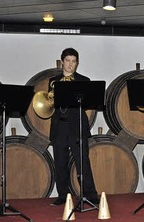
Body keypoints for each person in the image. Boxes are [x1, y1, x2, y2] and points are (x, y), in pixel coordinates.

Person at [49, 48, 100, 206]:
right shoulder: (53, 81)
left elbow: (89, 102)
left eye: (74, 61)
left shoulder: (83, 80)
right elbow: (50, 104)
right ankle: (63, 195)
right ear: (62, 61)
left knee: (83, 162)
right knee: (60, 162)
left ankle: (90, 194)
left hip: (77, 124)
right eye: (68, 61)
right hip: (60, 125)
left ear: (77, 63)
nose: (70, 64)